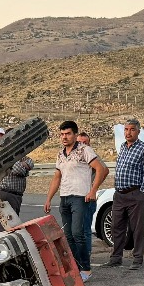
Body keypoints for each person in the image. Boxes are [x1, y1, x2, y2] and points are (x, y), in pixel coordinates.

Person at [42, 119, 107, 277]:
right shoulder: (60, 154)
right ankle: (75, 268)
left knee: (78, 233)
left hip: (80, 197)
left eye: (68, 134)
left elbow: (102, 169)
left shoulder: (84, 150)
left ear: (75, 134)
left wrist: (93, 191)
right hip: (65, 197)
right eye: (62, 134)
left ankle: (86, 269)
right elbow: (57, 177)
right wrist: (49, 198)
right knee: (69, 235)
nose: (64, 137)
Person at [106, 119, 144, 269]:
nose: (128, 132)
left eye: (132, 129)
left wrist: (142, 193)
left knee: (137, 228)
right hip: (119, 194)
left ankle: (137, 259)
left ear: (138, 131)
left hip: (135, 194)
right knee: (116, 227)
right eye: (126, 129)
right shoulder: (122, 147)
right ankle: (116, 258)